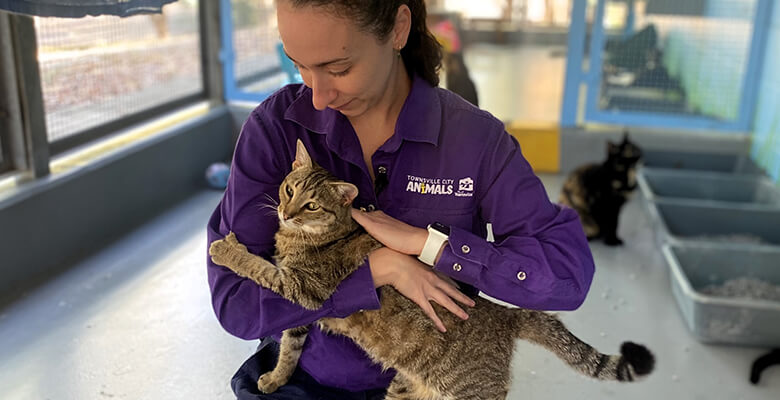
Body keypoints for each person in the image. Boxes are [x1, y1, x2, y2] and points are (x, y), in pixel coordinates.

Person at [206, 0, 595, 398]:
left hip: (429, 381)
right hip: (307, 382)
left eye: (339, 68)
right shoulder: (275, 129)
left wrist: (432, 246)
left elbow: (566, 278)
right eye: (299, 65)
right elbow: (236, 304)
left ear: (398, 29)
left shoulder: (475, 140)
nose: (318, 96)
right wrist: (374, 271)